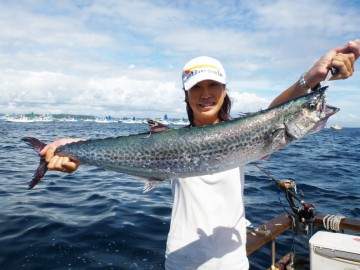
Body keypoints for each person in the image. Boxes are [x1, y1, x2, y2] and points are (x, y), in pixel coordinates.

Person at [40, 40, 360, 269]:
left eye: (213, 85)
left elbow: (273, 114)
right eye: (196, 87)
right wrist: (71, 149)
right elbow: (121, 146)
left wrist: (312, 79)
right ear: (186, 94)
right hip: (181, 260)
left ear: (225, 91)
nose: (205, 94)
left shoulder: (248, 129)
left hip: (233, 262)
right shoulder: (170, 138)